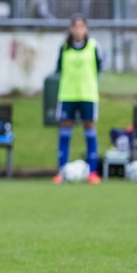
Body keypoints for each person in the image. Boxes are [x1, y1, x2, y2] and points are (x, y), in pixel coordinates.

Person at [53, 14, 103, 184]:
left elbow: (99, 67)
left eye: (81, 26)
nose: (78, 30)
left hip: (88, 94)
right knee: (65, 132)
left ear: (86, 28)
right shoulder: (64, 47)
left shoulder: (93, 46)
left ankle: (93, 172)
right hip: (67, 95)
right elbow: (58, 68)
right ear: (70, 29)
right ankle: (61, 171)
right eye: (75, 26)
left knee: (89, 131)